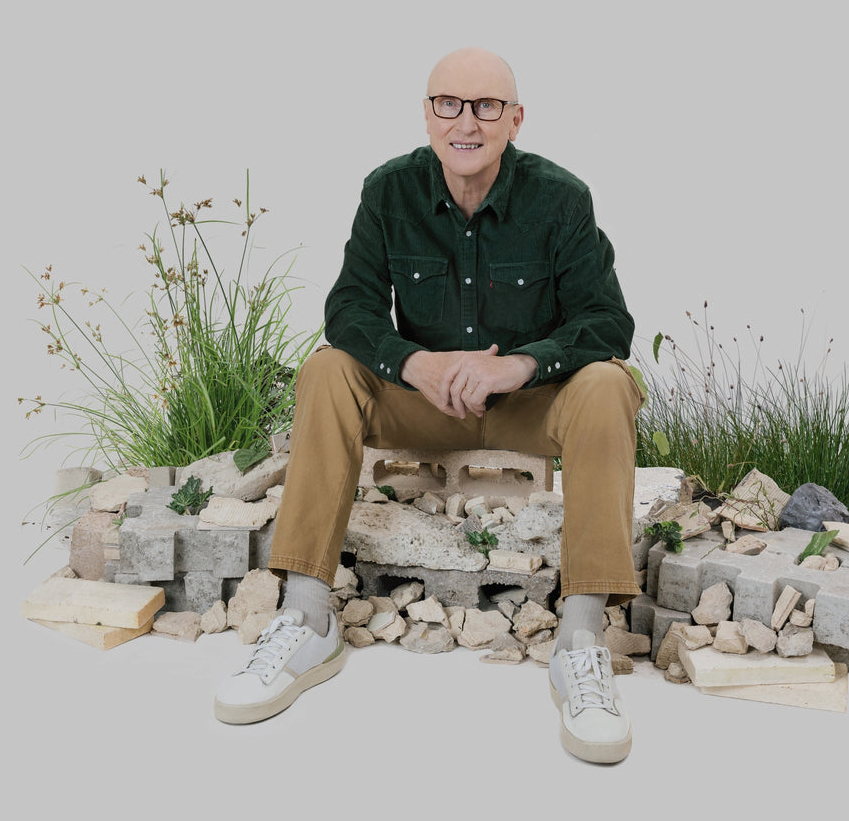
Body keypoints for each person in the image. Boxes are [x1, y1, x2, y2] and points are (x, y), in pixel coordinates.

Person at [214, 48, 645, 763]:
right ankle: (308, 617)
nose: (465, 122)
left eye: (486, 106)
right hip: (420, 403)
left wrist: (517, 364)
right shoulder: (390, 190)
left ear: (515, 119)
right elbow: (349, 308)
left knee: (607, 382)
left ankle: (579, 636)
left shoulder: (562, 198)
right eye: (449, 103)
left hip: (526, 408)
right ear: (427, 113)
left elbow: (607, 321)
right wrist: (414, 361)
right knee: (326, 370)